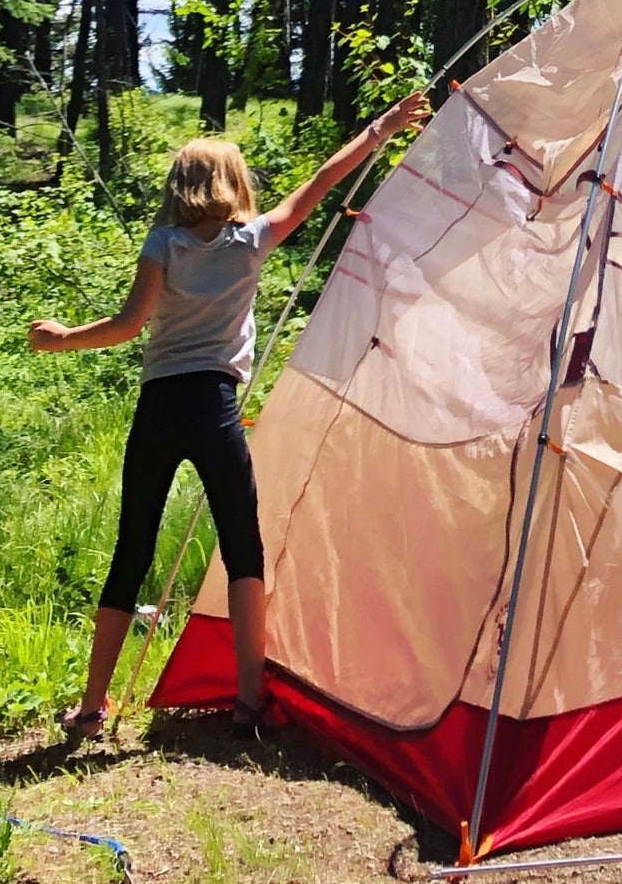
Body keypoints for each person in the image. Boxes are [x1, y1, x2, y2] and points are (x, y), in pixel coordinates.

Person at [28, 91, 432, 736]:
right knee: (244, 546)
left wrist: (62, 337)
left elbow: (130, 326)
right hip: (215, 407)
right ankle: (249, 699)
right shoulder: (254, 240)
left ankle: (92, 706)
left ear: (179, 186)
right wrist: (382, 129)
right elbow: (324, 181)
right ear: (233, 183)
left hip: (162, 404)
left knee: (131, 547)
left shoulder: (163, 243)